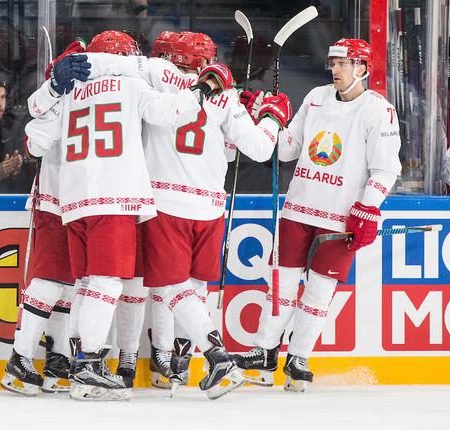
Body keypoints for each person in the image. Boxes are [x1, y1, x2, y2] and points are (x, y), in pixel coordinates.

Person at [81, 30, 292, 399]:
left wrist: (74, 64)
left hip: (166, 202)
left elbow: (115, 64)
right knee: (193, 287)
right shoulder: (225, 95)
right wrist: (272, 118)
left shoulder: (158, 71)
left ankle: (213, 357)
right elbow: (259, 149)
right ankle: (180, 361)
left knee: (171, 287)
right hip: (211, 207)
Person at [24, 30, 215, 401]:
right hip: (114, 199)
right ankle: (89, 366)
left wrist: (52, 85)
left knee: (87, 284)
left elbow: (34, 132)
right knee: (107, 284)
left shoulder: (71, 91)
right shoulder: (130, 88)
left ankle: (81, 365)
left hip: (74, 202)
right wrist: (203, 90)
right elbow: (171, 112)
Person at [233, 38, 402, 392]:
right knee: (279, 285)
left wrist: (368, 209)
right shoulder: (315, 97)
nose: (335, 70)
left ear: (363, 68)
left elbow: (385, 170)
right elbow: (285, 149)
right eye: (333, 63)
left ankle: (299, 356)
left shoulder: (379, 111)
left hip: (339, 217)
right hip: (298, 207)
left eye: (343, 63)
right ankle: (264, 352)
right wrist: (265, 117)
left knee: (319, 291)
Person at [1, 41, 90, 397]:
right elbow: (33, 144)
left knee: (70, 283)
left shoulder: (96, 97)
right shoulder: (56, 98)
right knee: (49, 280)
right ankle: (20, 359)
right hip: (55, 201)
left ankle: (57, 358)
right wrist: (55, 91)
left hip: (82, 203)